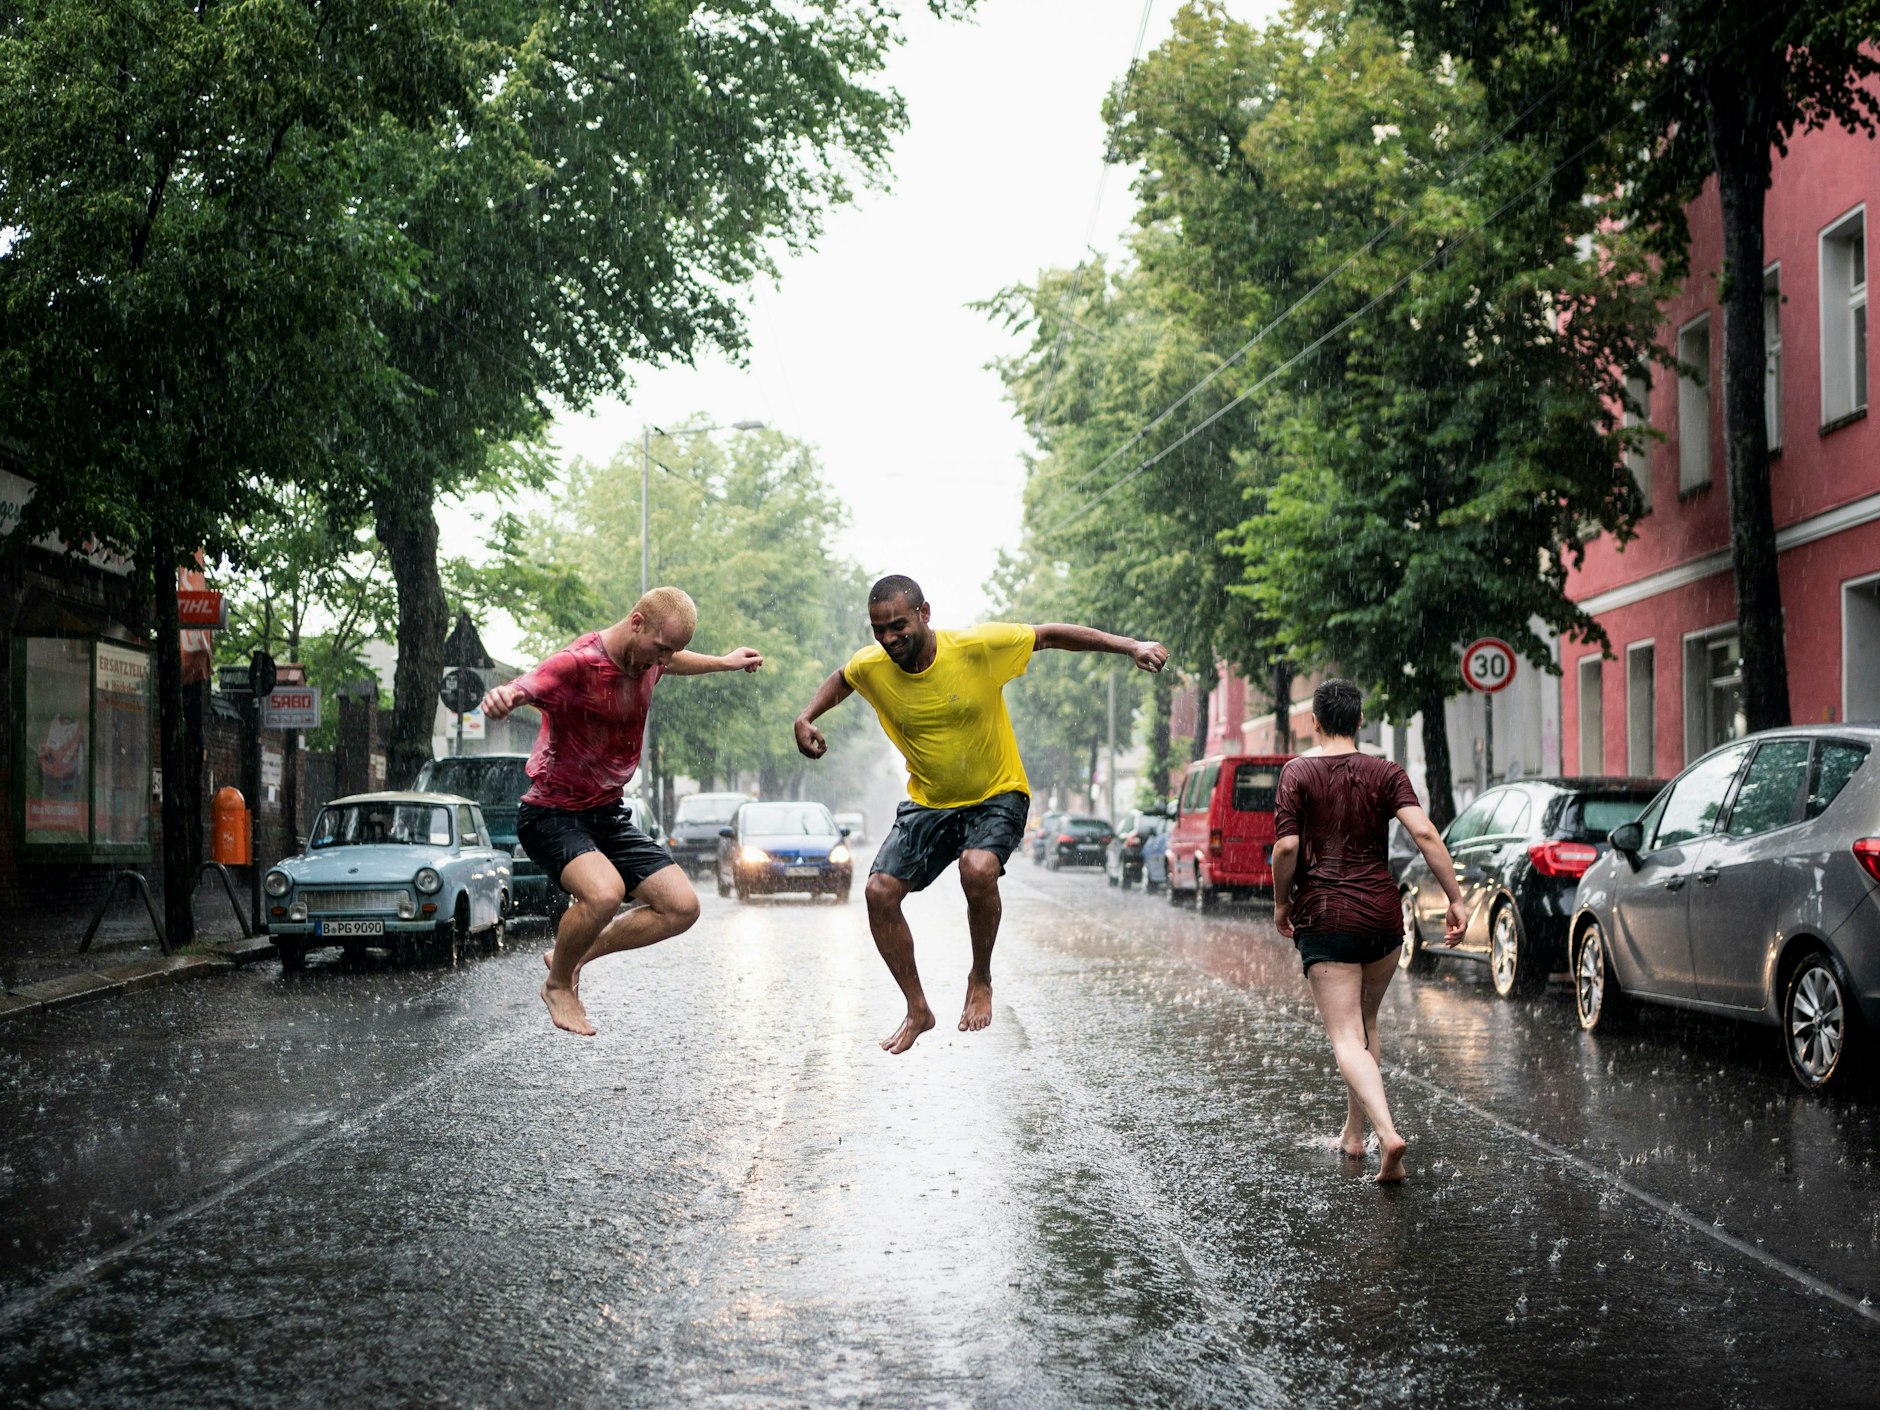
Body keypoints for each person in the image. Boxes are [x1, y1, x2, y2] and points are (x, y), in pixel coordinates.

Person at [793, 574, 1168, 1054]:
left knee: (978, 867)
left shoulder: (977, 648)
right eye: (878, 629)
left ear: (925, 614)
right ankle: (918, 1009)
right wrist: (806, 717)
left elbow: (1049, 634)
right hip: (929, 802)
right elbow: (844, 677)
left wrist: (1129, 646)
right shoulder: (873, 665)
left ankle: (980, 976)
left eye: (898, 627)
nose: (888, 640)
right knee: (878, 892)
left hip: (997, 793)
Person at [480, 587, 763, 1036]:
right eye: (661, 648)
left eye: (672, 651)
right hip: (551, 814)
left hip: (607, 813)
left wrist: (725, 662)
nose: (664, 660)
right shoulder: (577, 663)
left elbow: (676, 659)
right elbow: (527, 685)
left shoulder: (653, 657)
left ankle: (575, 954)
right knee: (605, 893)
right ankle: (558, 985)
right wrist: (506, 697)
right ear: (636, 622)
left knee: (682, 907)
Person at [1270, 678, 1465, 1183]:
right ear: (1360, 721)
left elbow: (1287, 848)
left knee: (1343, 1037)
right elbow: (1423, 832)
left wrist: (1278, 902)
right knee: (1366, 1027)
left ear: (1314, 721)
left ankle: (1387, 1133)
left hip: (1326, 915)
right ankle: (1354, 1135)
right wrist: (1456, 898)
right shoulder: (1386, 772)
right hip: (1382, 917)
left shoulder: (1298, 773)